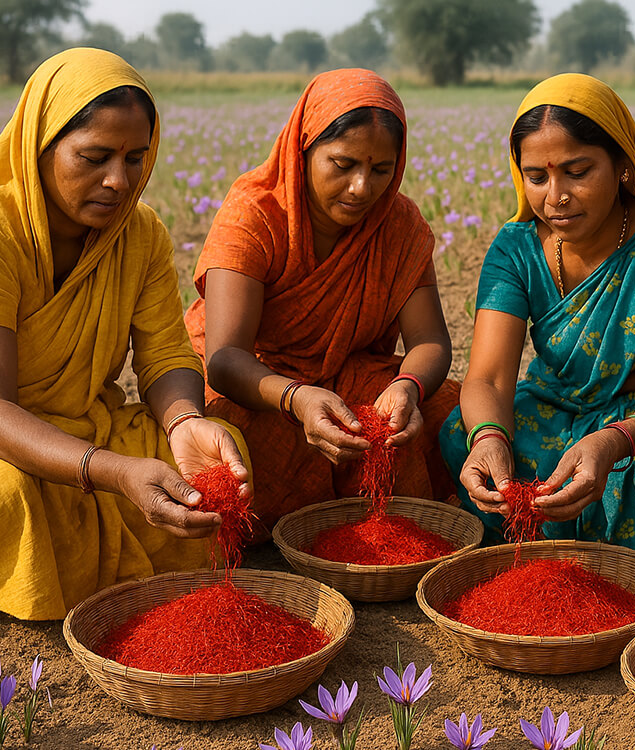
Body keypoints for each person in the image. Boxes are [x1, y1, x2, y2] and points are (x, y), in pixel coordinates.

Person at [0, 48, 251, 640]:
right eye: (94, 157)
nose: (118, 181)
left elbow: (164, 356)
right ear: (41, 144)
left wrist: (185, 421)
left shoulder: (141, 234)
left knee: (218, 452)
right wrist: (115, 473)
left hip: (85, 424)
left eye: (136, 159)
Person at [441, 74, 635, 567]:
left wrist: (614, 440)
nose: (556, 196)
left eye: (577, 171)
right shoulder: (517, 248)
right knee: (465, 434)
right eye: (537, 177)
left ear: (622, 165)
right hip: (561, 404)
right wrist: (489, 438)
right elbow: (487, 376)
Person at [186, 68, 459, 535]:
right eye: (343, 164)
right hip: (260, 383)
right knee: (231, 440)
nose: (361, 188)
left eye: (381, 170)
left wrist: (408, 386)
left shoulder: (399, 226)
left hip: (349, 377)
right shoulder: (255, 216)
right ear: (304, 148)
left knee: (447, 410)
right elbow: (226, 359)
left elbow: (430, 340)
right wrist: (297, 397)